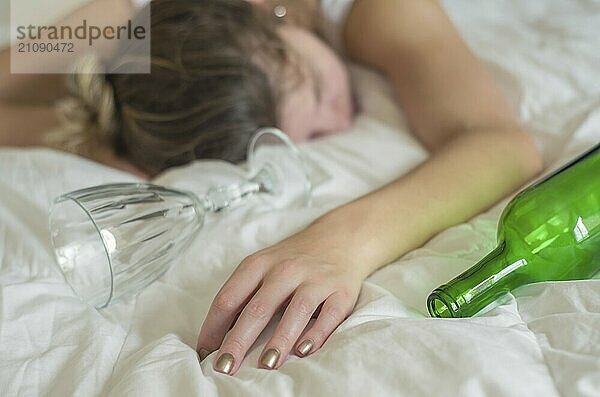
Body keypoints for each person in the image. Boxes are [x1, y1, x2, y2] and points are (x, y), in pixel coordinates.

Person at [0, 0, 543, 376]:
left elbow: (502, 145)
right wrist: (104, 143)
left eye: (315, 83)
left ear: (265, 12)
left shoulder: (379, 10)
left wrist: (336, 244)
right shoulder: (128, 25)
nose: (340, 118)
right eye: (309, 135)